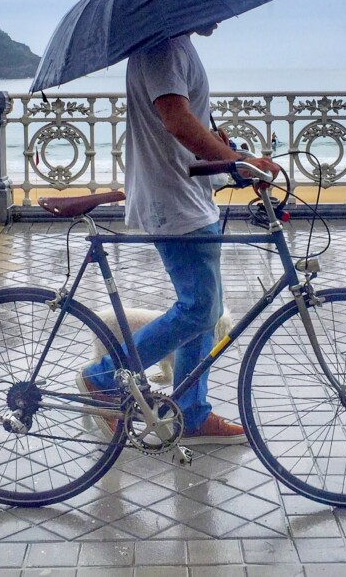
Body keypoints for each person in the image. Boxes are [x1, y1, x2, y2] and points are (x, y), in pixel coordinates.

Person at [79, 22, 280, 444]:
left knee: (204, 309)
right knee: (200, 309)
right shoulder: (163, 45)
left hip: (187, 197)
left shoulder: (176, 46)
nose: (221, 17)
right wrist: (235, 162)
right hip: (173, 200)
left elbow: (190, 126)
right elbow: (175, 119)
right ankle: (103, 377)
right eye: (213, 8)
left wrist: (234, 156)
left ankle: (190, 411)